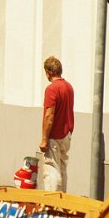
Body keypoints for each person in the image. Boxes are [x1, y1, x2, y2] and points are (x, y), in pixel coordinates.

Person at [39, 56, 74, 192]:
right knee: (63, 168)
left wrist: (44, 139)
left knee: (51, 169)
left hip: (55, 135)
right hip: (67, 134)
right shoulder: (68, 87)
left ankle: (53, 203)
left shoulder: (52, 89)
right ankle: (63, 199)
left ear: (49, 72)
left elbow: (49, 116)